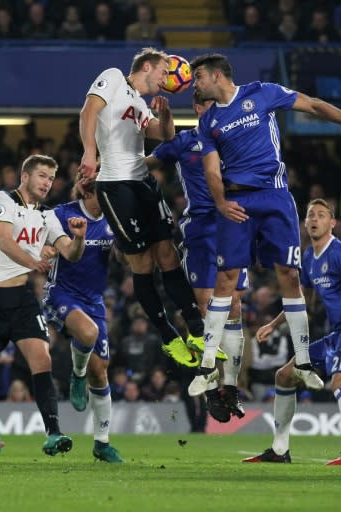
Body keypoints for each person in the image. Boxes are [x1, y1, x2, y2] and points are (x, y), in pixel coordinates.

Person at [186, 53, 341, 396]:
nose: (195, 84)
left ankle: (304, 362)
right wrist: (220, 202)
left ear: (218, 76)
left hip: (275, 196)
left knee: (290, 275)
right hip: (237, 200)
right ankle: (207, 367)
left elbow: (313, 105)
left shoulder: (261, 93)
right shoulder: (208, 123)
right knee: (226, 279)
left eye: (199, 78)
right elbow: (210, 170)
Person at [78, 47, 207, 369]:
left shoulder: (139, 103)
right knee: (143, 263)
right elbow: (88, 112)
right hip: (115, 184)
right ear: (146, 66)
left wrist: (164, 113)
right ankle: (167, 336)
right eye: (163, 72)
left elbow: (164, 136)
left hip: (143, 181)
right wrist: (89, 154)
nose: (166, 79)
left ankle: (198, 331)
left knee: (168, 253)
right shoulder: (113, 78)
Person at [0, 154, 86, 457]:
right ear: (26, 176)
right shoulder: (1, 200)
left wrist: (79, 238)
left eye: (51, 178)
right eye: (42, 176)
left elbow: (70, 253)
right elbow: (5, 241)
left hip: (20, 300)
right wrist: (33, 261)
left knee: (42, 359)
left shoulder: (47, 216)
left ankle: (53, 432)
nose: (48, 183)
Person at [243, 199, 341, 464]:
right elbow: (299, 298)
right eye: (310, 215)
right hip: (338, 332)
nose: (315, 219)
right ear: (305, 223)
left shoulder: (340, 252)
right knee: (284, 376)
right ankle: (279, 450)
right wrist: (273, 324)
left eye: (321, 215)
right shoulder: (308, 256)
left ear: (332, 223)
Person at [146, 91, 246, 423]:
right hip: (201, 228)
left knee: (234, 305)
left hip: (232, 224)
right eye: (205, 106)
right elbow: (154, 155)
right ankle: (209, 383)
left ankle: (230, 387)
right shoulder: (185, 141)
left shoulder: (236, 137)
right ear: (198, 109)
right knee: (205, 308)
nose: (209, 111)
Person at [41, 174, 124, 463]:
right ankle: (76, 378)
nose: (110, 197)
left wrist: (125, 243)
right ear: (88, 192)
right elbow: (60, 251)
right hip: (61, 293)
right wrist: (67, 240)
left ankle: (102, 443)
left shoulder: (113, 217)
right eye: (105, 192)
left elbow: (123, 261)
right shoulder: (61, 215)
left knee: (100, 371)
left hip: (94, 299)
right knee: (87, 334)